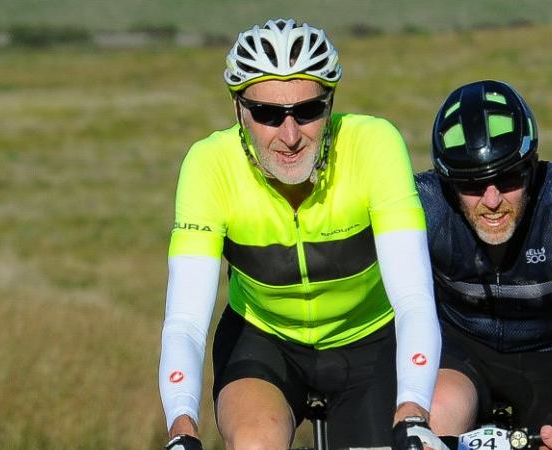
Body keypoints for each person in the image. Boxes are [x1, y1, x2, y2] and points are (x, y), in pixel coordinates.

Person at [157, 19, 447, 450]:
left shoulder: (374, 143)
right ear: (238, 109)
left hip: (370, 339)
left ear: (330, 104)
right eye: (268, 114)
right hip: (263, 341)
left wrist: (412, 414)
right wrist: (182, 430)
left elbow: (414, 299)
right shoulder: (208, 165)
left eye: (308, 111)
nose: (290, 136)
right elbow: (184, 323)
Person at [415, 80, 552, 450]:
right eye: (471, 183)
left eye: (507, 178)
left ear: (531, 168)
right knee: (433, 424)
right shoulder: (424, 203)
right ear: (447, 182)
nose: (491, 200)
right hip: (461, 353)